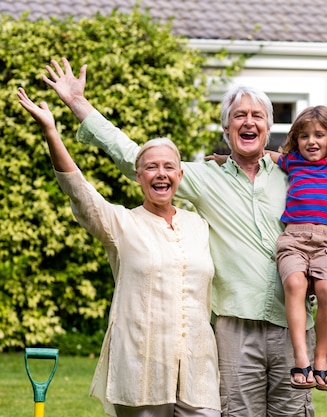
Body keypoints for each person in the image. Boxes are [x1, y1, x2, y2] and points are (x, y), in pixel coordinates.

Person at [41, 58, 315, 416]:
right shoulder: (201, 177)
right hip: (235, 328)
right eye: (239, 115)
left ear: (268, 126)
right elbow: (135, 156)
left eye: (257, 116)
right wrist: (79, 105)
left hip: (292, 324)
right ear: (226, 128)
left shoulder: (294, 173)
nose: (248, 121)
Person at [16, 87, 220, 417]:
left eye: (169, 167)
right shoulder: (121, 223)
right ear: (138, 176)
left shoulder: (200, 226)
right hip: (141, 366)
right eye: (151, 167)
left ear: (180, 175)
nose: (161, 174)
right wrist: (51, 132)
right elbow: (78, 190)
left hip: (198, 369)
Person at [268, 106, 327, 390]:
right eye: (304, 136)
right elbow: (264, 155)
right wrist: (223, 158)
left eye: (319, 135)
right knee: (294, 283)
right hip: (293, 239)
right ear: (296, 140)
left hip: (326, 241)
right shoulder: (292, 162)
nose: (311, 141)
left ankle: (322, 359)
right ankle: (301, 360)